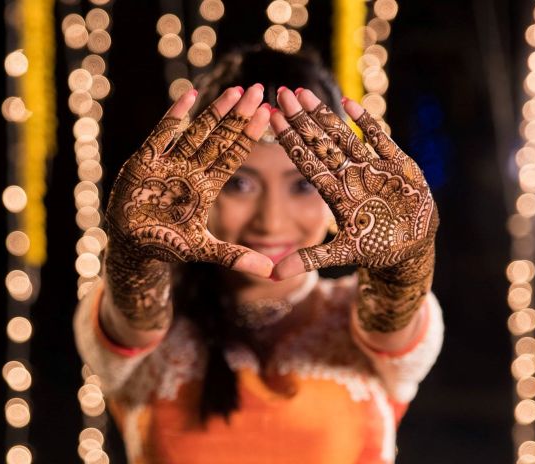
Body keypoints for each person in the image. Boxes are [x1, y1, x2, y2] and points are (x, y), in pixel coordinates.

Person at [74, 48, 442, 464]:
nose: (271, 221)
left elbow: (392, 321)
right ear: (196, 193)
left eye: (303, 186)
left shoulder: (362, 315)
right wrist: (132, 259)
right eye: (240, 185)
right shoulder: (153, 317)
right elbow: (132, 322)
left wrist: (404, 268)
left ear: (338, 196)